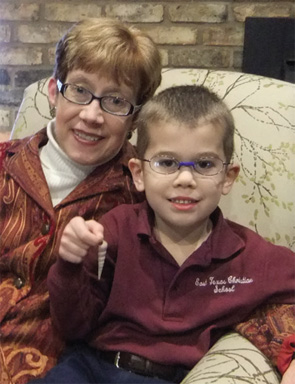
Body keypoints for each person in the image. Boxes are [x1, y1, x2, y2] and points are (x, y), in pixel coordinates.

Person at [33, 85, 295, 383]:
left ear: (228, 177)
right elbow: (73, 326)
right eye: (167, 163)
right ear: (139, 174)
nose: (185, 179)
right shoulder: (116, 227)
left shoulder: (250, 257)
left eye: (205, 164)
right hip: (89, 368)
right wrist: (70, 265)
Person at [0, 17, 162, 384]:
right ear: (54, 92)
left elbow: (216, 260)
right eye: (80, 91)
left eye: (116, 100)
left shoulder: (144, 193)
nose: (91, 115)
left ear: (135, 117)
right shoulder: (3, 164)